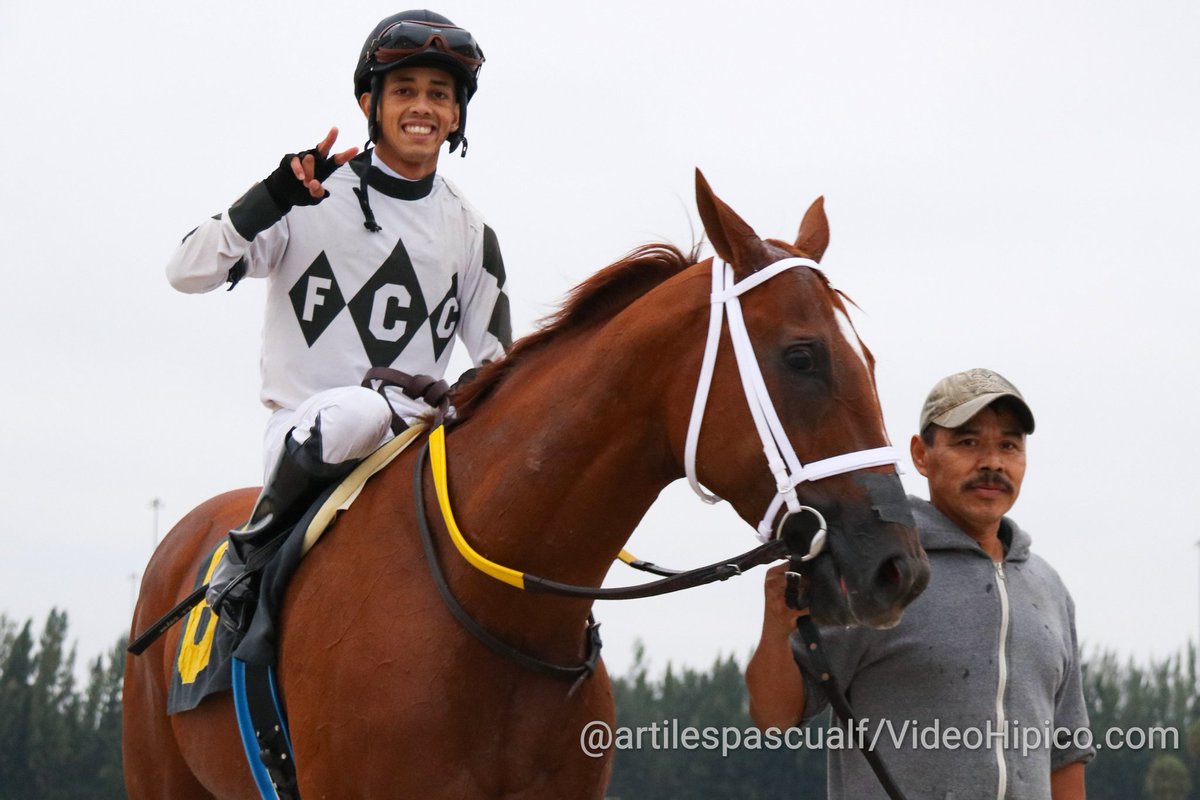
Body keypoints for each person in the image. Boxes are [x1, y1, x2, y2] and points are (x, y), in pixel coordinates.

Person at [166, 10, 511, 633]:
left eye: (440, 95)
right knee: (361, 411)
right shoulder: (307, 195)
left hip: (411, 458)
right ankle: (250, 550)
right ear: (369, 103)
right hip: (307, 436)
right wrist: (268, 200)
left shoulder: (471, 231)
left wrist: (459, 394)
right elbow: (185, 271)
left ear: (457, 115)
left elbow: (500, 370)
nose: (422, 107)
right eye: (404, 90)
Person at [745, 368, 1093, 799]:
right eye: (967, 442)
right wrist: (776, 631)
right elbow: (776, 718)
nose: (992, 463)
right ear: (920, 454)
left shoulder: (1048, 588)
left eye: (1009, 445)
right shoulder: (881, 572)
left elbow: (1065, 753)